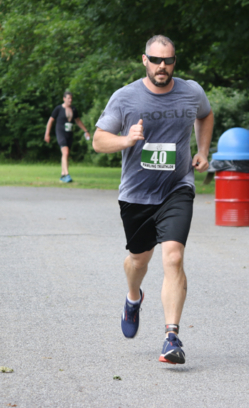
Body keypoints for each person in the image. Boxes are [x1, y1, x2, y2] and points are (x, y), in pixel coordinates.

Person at [92, 35, 214, 365]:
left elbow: (205, 115)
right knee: (139, 261)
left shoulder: (191, 92)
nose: (163, 66)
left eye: (169, 60)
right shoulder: (125, 97)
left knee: (173, 257)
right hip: (137, 195)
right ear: (144, 60)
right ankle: (133, 298)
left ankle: (171, 337)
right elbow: (98, 141)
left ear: (175, 61)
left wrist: (202, 152)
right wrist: (126, 138)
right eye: (156, 60)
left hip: (177, 187)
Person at [44, 91, 90, 183]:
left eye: (71, 98)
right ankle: (67, 174)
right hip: (60, 133)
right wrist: (47, 133)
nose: (70, 100)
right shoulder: (58, 109)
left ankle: (62, 175)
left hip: (69, 134)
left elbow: (78, 121)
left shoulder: (73, 109)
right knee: (65, 152)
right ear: (64, 99)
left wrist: (86, 131)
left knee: (66, 154)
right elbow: (50, 121)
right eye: (68, 98)